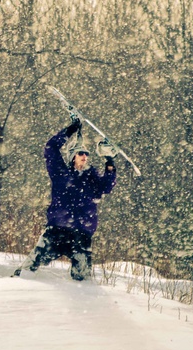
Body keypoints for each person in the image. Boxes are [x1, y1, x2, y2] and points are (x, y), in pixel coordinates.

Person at [14, 112, 117, 281]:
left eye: (86, 154)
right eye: (80, 153)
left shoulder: (92, 178)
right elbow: (50, 148)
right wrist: (70, 130)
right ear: (72, 157)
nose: (85, 156)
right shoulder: (60, 173)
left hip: (82, 233)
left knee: (81, 278)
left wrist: (110, 162)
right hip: (57, 230)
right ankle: (16, 287)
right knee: (29, 267)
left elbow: (106, 187)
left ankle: (82, 301)